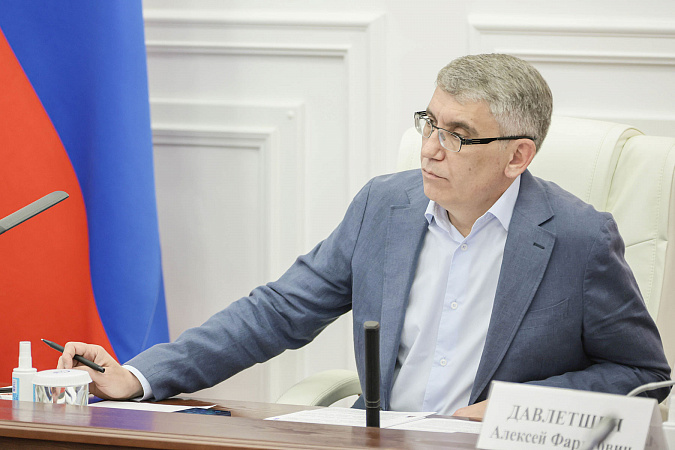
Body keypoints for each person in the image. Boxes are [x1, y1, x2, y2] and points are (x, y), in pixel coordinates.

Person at [59, 53, 671, 420]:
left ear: (518, 156)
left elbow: (641, 374)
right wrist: (139, 376)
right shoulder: (386, 205)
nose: (430, 149)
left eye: (457, 135)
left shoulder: (579, 237)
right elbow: (278, 311)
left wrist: (516, 410)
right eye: (429, 123)